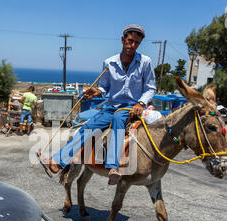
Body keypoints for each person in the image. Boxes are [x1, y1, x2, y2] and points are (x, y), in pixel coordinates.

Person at [38, 24, 156, 185]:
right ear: (123, 40)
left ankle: (113, 167)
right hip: (112, 106)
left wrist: (141, 103)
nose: (132, 45)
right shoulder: (109, 63)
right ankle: (57, 163)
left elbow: (150, 88)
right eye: (130, 41)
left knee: (118, 119)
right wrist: (97, 91)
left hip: (130, 107)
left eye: (136, 42)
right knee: (87, 127)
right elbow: (104, 87)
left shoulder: (145, 62)